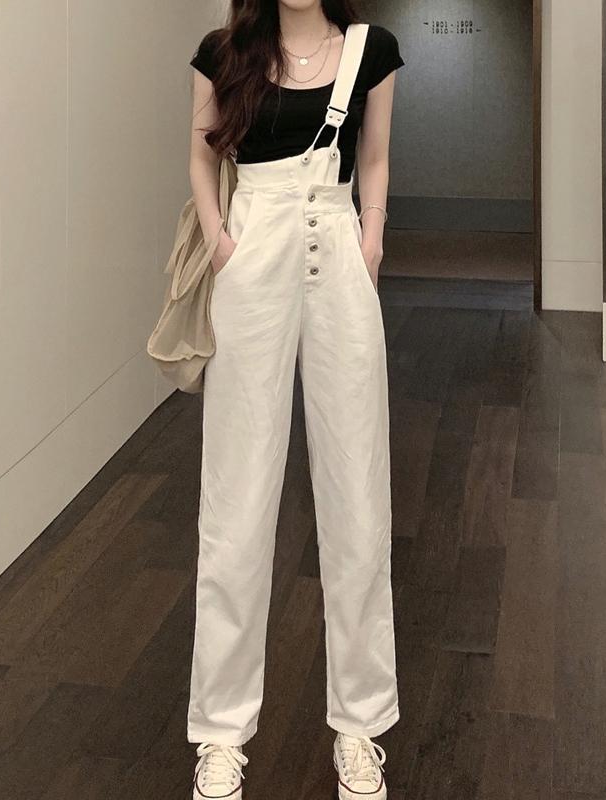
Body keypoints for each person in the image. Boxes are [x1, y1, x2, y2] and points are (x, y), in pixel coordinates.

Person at [186, 2, 404, 798]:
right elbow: (200, 159)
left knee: (358, 491)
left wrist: (370, 242)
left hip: (339, 249)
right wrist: (222, 245)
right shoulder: (224, 52)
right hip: (254, 253)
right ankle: (220, 732)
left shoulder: (371, 50)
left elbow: (374, 158)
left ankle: (360, 725)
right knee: (236, 495)